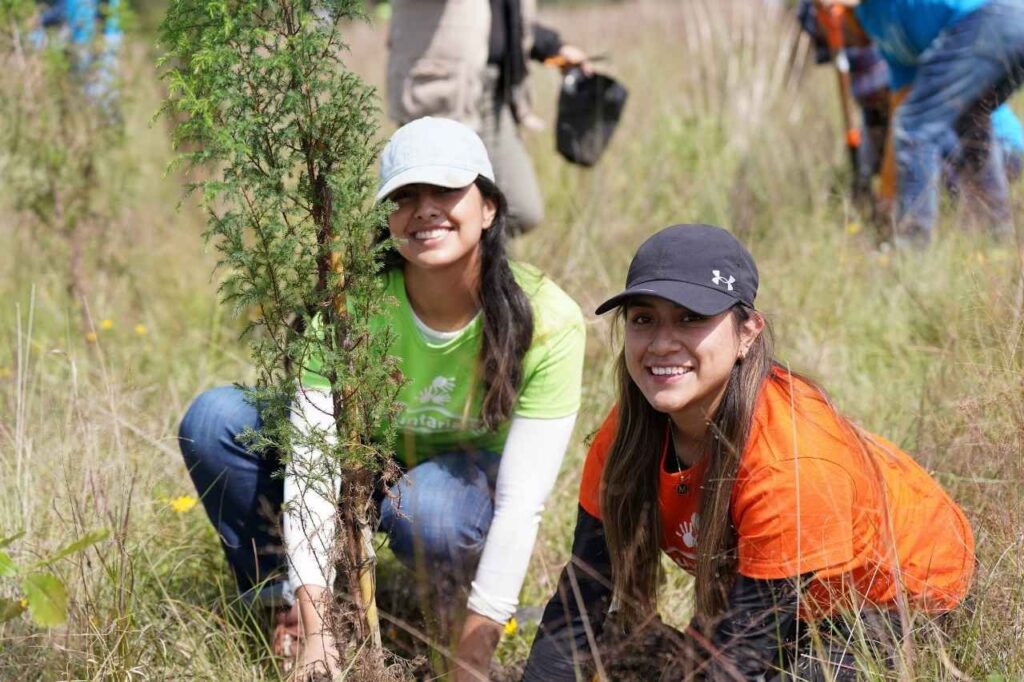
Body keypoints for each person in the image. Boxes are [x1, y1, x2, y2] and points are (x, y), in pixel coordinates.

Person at [178, 117, 586, 680]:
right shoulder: (349, 308)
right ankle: (289, 609)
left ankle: (445, 613)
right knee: (216, 419)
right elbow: (315, 465)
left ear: (489, 207)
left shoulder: (549, 320)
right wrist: (321, 631)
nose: (424, 209)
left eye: (446, 190)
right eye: (404, 196)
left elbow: (521, 504)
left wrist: (474, 658)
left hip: (455, 489)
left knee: (430, 507)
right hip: (359, 464)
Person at [522, 224, 975, 680]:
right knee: (613, 642)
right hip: (769, 596)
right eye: (644, 319)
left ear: (747, 333)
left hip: (898, 606)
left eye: (690, 318)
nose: (661, 343)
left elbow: (737, 665)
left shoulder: (791, 461)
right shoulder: (626, 434)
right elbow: (579, 603)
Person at [825, 0, 1024, 246]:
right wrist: (887, 196)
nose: (841, 36)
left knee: (918, 127)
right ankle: (998, 236)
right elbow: (900, 118)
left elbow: (912, 128)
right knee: (968, 119)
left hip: (993, 15)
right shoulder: (883, 35)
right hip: (1002, 24)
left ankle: (913, 247)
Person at [386, 0, 590, 235]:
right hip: (438, 93)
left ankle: (481, 269)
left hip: (494, 93)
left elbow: (503, 13)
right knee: (433, 217)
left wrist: (551, 46)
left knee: (520, 209)